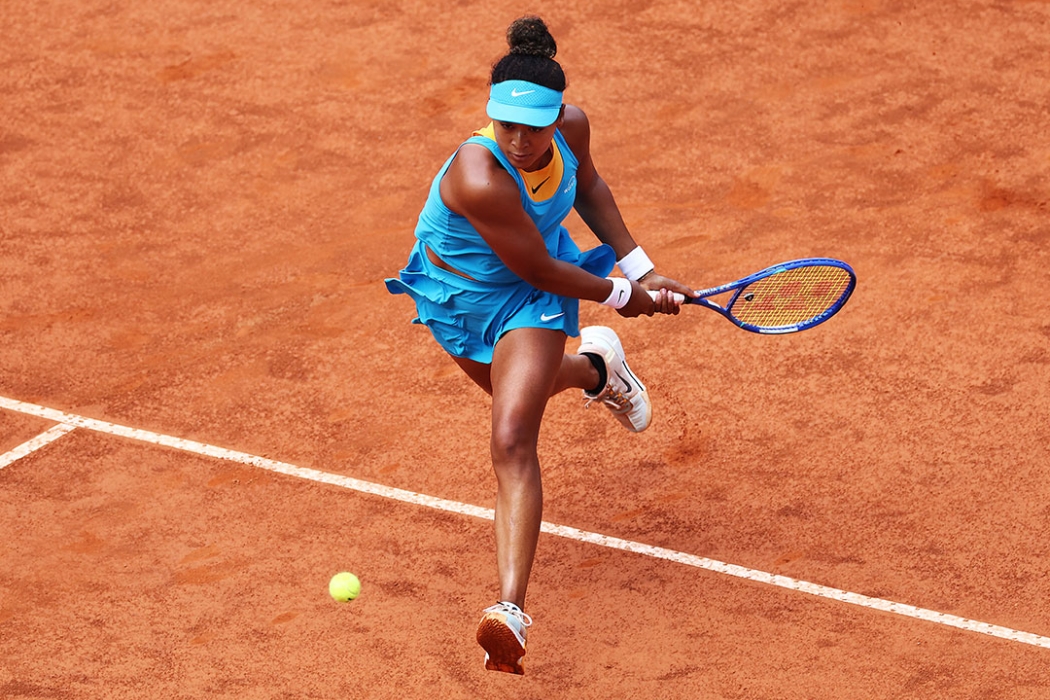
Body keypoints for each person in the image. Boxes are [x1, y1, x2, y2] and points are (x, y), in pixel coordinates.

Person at [385, 15, 695, 675]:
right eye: (506, 126)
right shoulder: (479, 174)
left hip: (530, 298)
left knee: (511, 437)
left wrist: (640, 269)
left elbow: (588, 187)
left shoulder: (572, 130)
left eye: (534, 127)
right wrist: (620, 296)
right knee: (512, 390)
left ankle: (509, 611)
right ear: (489, 117)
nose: (520, 141)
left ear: (559, 118)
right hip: (462, 297)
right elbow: (538, 266)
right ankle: (594, 368)